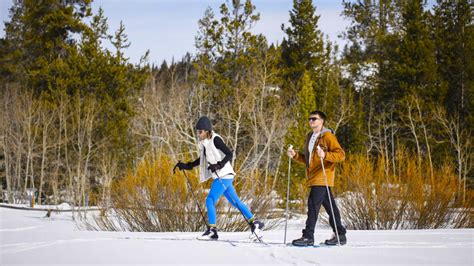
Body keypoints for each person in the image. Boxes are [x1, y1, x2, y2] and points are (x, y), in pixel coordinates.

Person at [174, 116, 264, 240]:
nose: (198, 134)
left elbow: (229, 153)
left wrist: (219, 165)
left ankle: (212, 230)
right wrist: (187, 165)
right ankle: (255, 222)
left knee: (210, 200)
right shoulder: (205, 144)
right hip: (223, 177)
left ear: (207, 131)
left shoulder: (215, 140)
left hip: (224, 175)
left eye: (200, 131)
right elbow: (202, 160)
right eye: (197, 132)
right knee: (235, 202)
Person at [287, 110, 347, 246]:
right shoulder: (310, 136)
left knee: (313, 206)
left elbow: (341, 155)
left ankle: (308, 236)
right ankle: (340, 235)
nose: (311, 121)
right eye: (309, 119)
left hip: (323, 176)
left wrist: (325, 155)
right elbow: (308, 159)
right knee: (330, 207)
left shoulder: (328, 136)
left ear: (322, 121)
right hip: (313, 176)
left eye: (314, 119)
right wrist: (295, 155)